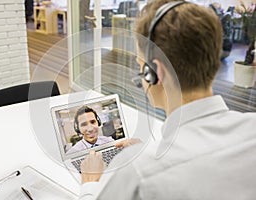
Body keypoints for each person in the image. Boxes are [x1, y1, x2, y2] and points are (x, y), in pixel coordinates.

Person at [79, 0, 256, 199]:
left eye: (140, 64)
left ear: (155, 72)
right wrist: (153, 151)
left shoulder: (139, 175)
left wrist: (90, 184)